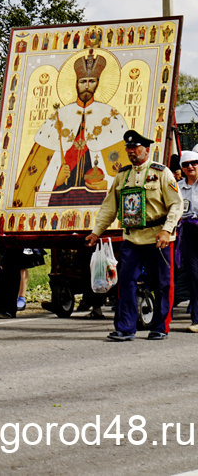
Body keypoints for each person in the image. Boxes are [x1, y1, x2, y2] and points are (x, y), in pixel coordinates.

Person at [86, 130, 183, 341]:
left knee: (163, 283)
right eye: (128, 148)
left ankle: (160, 326)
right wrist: (96, 232)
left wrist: (167, 230)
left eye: (135, 148)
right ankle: (125, 327)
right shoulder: (122, 175)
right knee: (126, 282)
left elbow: (176, 204)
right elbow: (109, 207)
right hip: (132, 237)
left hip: (159, 237)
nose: (131, 152)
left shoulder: (161, 172)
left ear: (146, 149)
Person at [14, 49, 129, 207]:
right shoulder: (58, 117)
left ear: (98, 83)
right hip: (59, 198)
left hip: (96, 199)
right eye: (83, 82)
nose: (87, 86)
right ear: (75, 84)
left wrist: (108, 184)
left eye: (92, 81)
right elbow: (35, 172)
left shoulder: (111, 117)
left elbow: (123, 168)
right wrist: (56, 179)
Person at [176, 150, 198, 332]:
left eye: (194, 163)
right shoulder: (177, 187)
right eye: (186, 164)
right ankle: (196, 320)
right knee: (193, 275)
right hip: (188, 232)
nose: (190, 166)